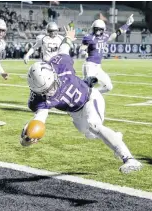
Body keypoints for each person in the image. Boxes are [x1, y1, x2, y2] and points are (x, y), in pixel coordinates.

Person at [21, 26, 142, 174]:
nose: (50, 91)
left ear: (53, 73)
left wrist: (69, 37)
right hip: (75, 113)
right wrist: (27, 138)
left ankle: (129, 159)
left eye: (51, 86)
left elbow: (64, 48)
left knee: (94, 125)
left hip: (90, 98)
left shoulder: (60, 63)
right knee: (91, 134)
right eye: (45, 91)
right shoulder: (39, 98)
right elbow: (40, 118)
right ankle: (115, 138)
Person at [79, 14, 134, 93]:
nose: (98, 31)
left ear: (103, 29)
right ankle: (79, 96)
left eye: (100, 29)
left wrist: (127, 24)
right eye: (96, 29)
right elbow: (81, 48)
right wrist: (83, 52)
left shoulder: (105, 36)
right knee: (88, 86)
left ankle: (92, 94)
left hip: (98, 67)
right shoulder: (89, 37)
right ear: (93, 29)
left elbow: (117, 33)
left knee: (108, 87)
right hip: (89, 65)